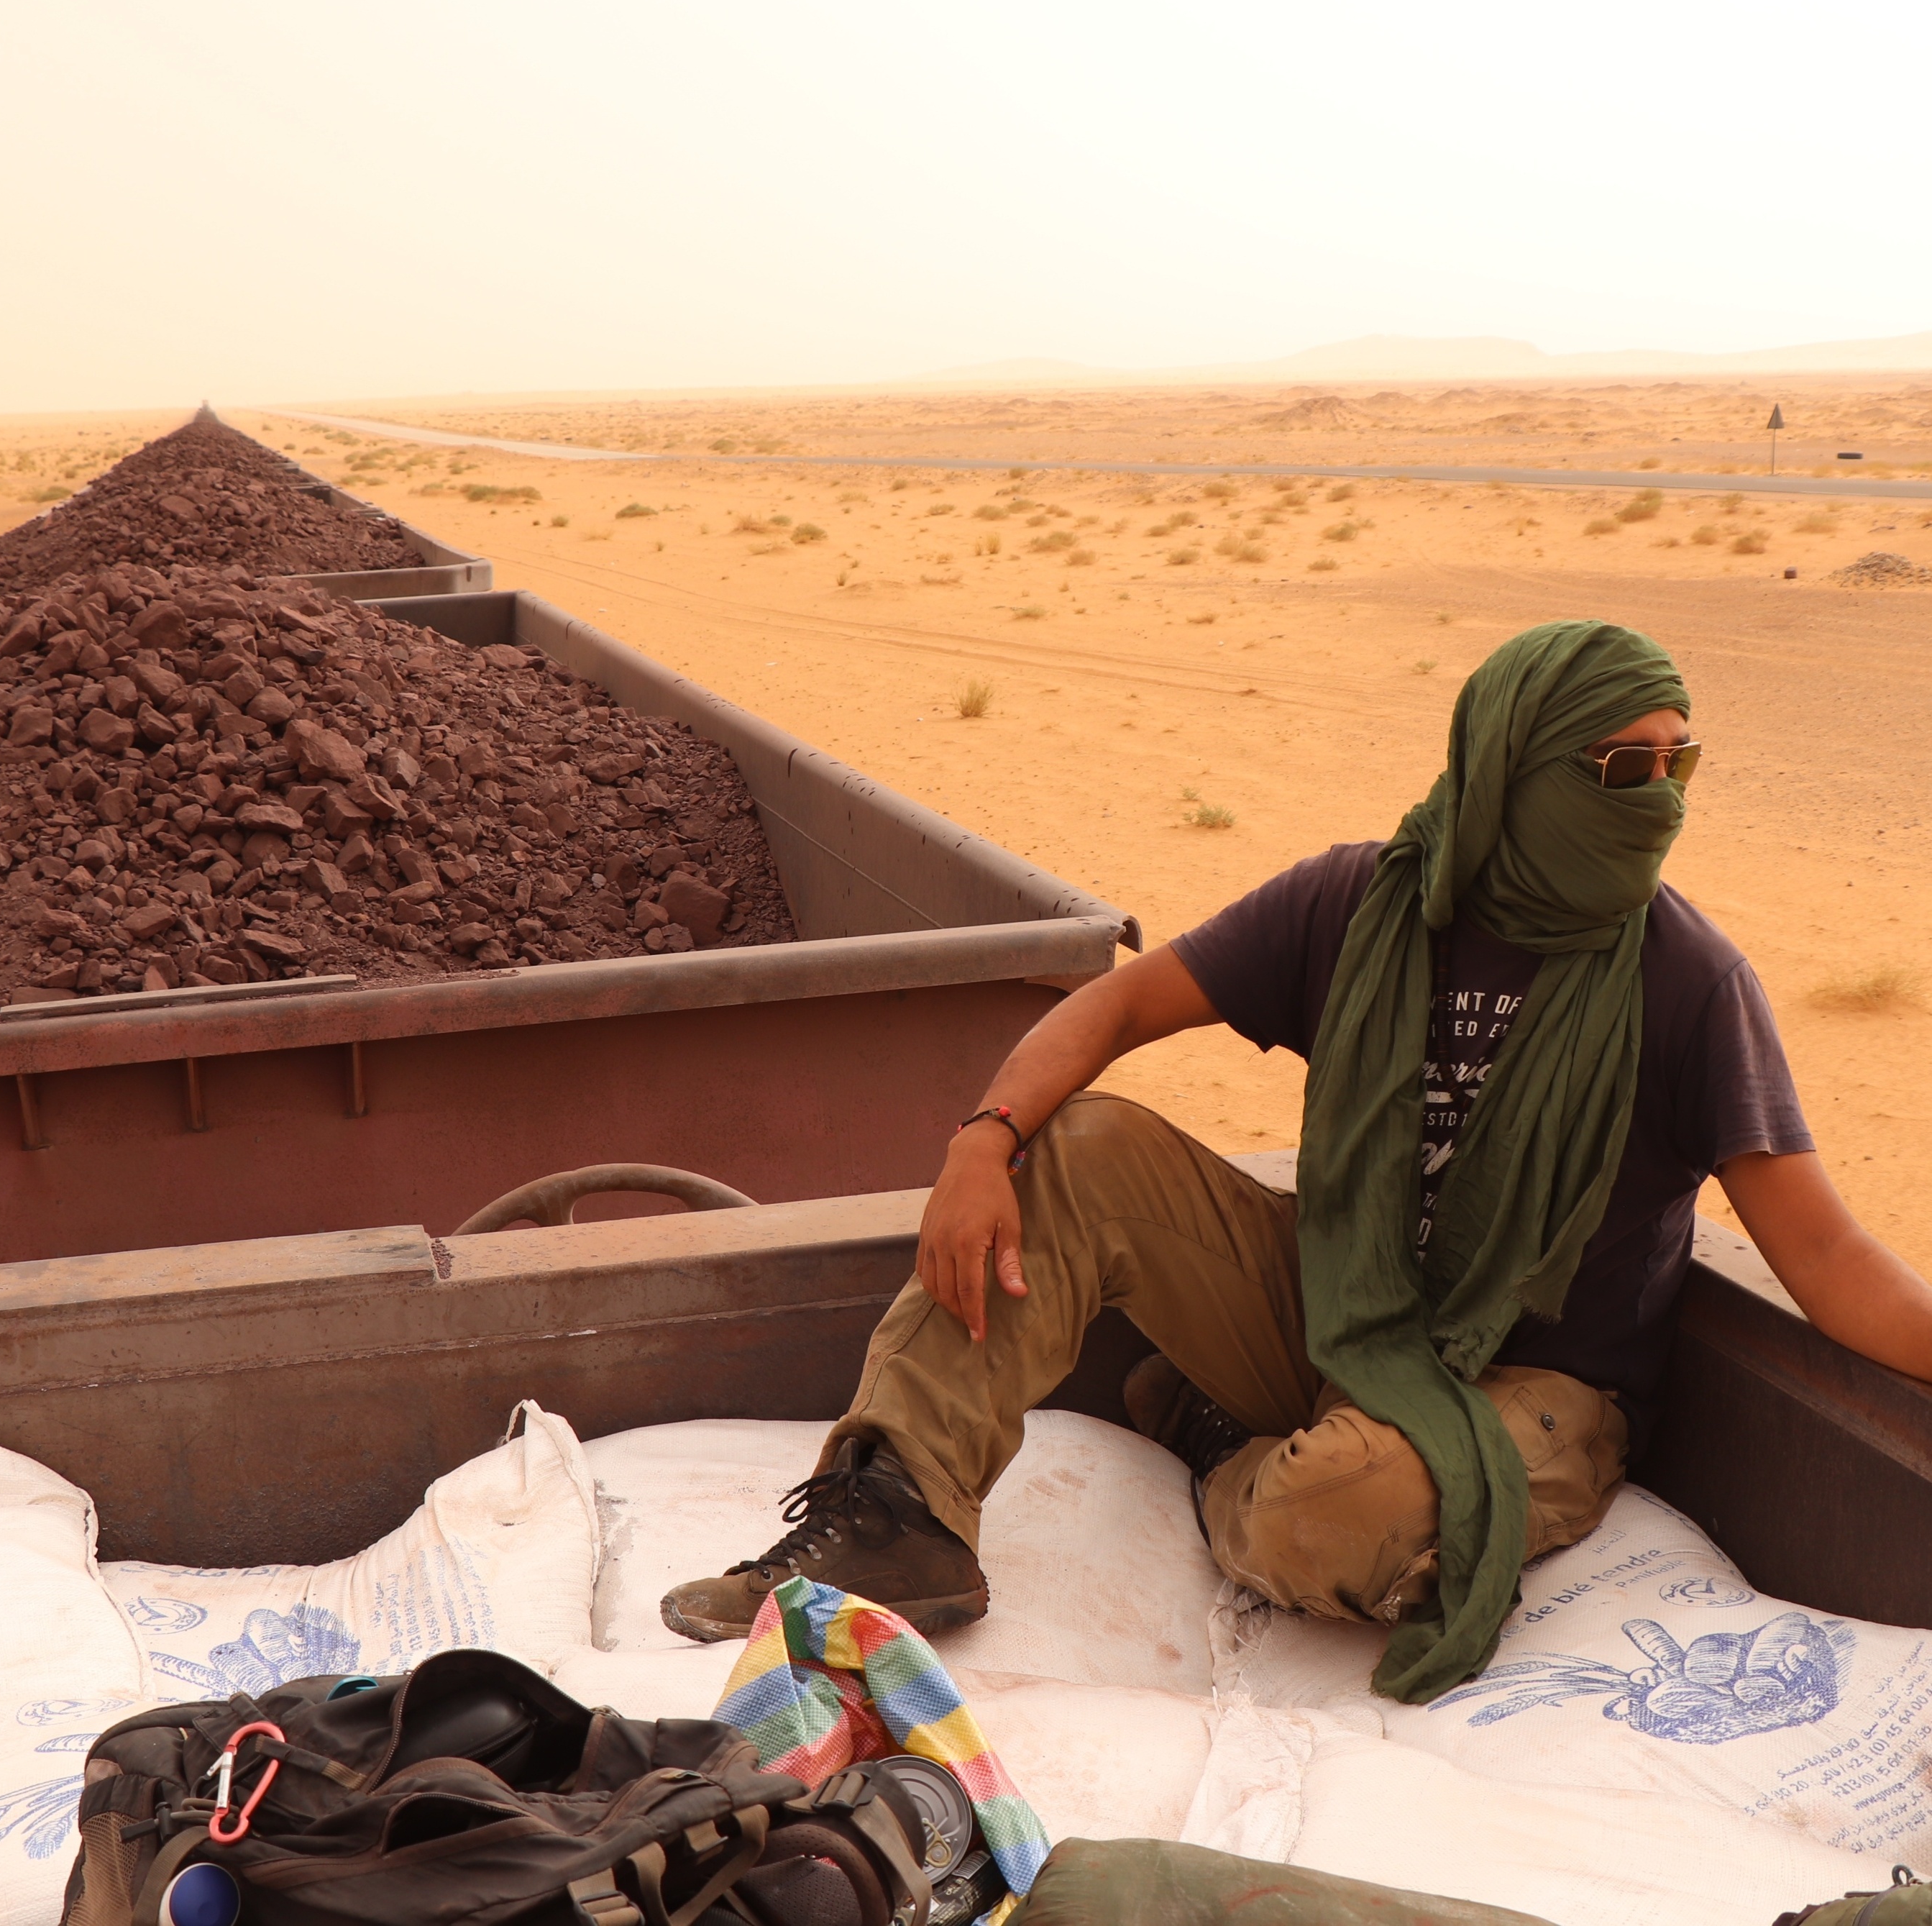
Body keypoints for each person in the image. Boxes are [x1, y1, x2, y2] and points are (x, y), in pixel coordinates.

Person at [661, 620, 1932, 1702]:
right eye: (1621, 765)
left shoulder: (1687, 979)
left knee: (1324, 1518)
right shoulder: (1357, 906)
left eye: (1678, 761)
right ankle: (903, 1517)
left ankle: (1223, 1444)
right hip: (1342, 1301)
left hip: (1540, 1379)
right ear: (1512, 771)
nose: (1660, 798)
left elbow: (1822, 1255)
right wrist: (981, 1142)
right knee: (1080, 1143)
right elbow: (1110, 1008)